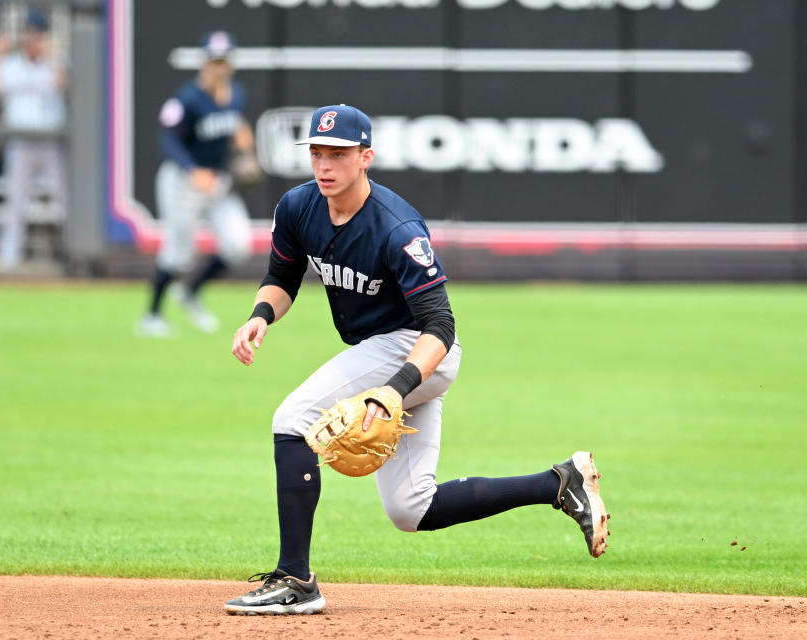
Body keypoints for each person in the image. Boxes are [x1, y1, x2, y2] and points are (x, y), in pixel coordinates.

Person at [223, 104, 610, 615]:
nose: (324, 165)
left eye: (337, 154)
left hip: (414, 350)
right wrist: (260, 315)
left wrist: (394, 388)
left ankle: (296, 579)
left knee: (293, 420)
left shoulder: (396, 227)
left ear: (366, 157)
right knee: (411, 508)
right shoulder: (298, 207)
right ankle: (559, 482)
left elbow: (441, 328)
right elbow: (283, 276)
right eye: (317, 152)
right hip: (381, 354)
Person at [138, 31, 257, 337]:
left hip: (217, 181)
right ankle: (151, 316)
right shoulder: (187, 98)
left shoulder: (236, 95)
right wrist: (192, 169)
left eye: (224, 61)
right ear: (203, 63)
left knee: (237, 244)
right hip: (182, 182)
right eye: (214, 61)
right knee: (180, 252)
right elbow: (168, 137)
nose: (220, 67)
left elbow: (232, 126)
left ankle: (189, 292)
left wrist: (243, 141)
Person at [0, 11, 67, 269]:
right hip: (20, 141)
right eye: (28, 33)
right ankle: (9, 256)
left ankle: (73, 253)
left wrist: (52, 54)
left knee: (64, 197)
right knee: (15, 199)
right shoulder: (10, 64)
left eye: (37, 34)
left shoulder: (55, 61)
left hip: (51, 140)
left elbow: (64, 85)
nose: (32, 38)